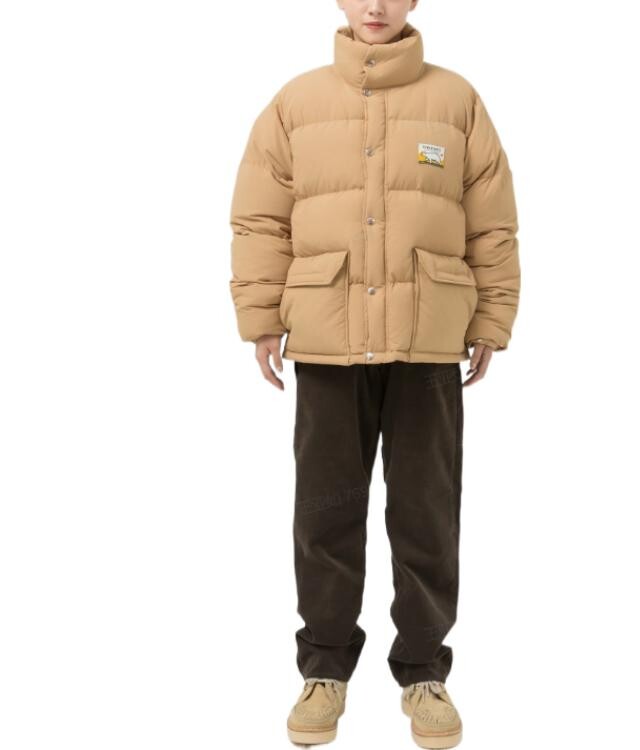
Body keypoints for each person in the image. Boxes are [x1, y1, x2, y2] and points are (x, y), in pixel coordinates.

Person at [228, 1, 520, 746]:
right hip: (327, 338)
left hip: (429, 342)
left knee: (427, 511)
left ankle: (424, 671)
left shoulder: (456, 101)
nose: (376, 5)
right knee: (326, 511)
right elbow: (261, 219)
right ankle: (324, 668)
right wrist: (261, 317)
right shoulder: (295, 104)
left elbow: (492, 222)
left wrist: (491, 319)